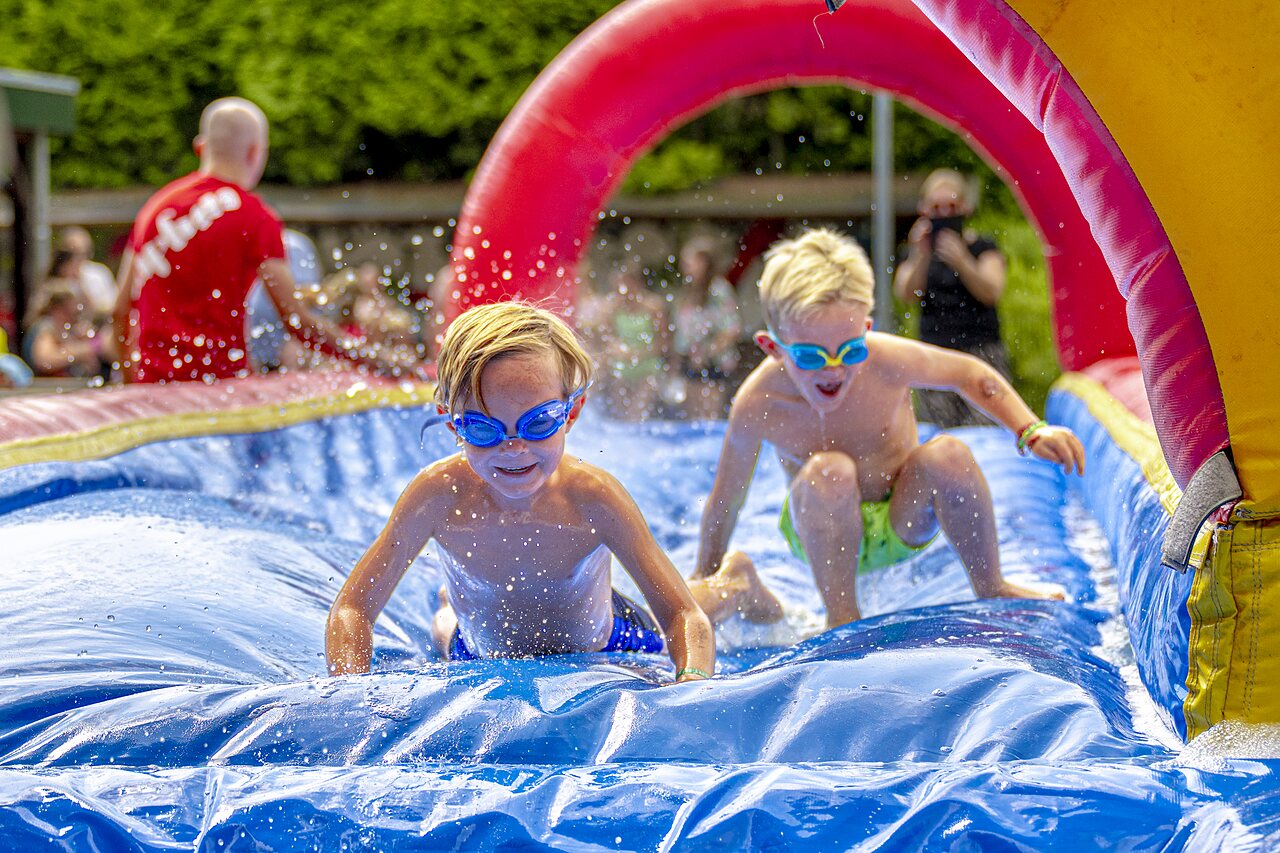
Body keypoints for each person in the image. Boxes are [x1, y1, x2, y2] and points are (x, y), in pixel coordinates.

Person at [326, 301, 775, 680]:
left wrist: (690, 685)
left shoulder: (594, 498)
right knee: (448, 634)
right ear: (452, 423)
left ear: (571, 413)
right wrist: (349, 696)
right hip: (476, 648)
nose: (514, 448)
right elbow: (353, 608)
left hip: (607, 641)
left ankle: (735, 580)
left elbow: (683, 617)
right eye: (483, 429)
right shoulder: (436, 496)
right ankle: (450, 606)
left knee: (688, 607)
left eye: (538, 423)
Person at [692, 228, 1085, 629]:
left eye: (851, 350)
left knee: (948, 454)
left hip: (901, 515)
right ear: (773, 347)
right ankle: (839, 614)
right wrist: (703, 576)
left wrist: (1030, 429)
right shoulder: (758, 402)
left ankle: (992, 584)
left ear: (865, 329)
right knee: (831, 470)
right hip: (819, 526)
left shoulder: (886, 360)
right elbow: (727, 498)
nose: (833, 368)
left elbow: (969, 374)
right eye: (811, 356)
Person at [112, 97, 416, 383]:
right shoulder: (255, 216)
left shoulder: (155, 209)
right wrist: (381, 361)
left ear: (199, 148)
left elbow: (120, 310)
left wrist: (132, 385)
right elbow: (298, 322)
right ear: (256, 151)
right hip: (218, 391)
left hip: (153, 388)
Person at [893, 169, 1012, 427]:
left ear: (965, 207)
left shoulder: (983, 248)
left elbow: (991, 291)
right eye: (937, 207)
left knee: (986, 428)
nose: (945, 214)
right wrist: (921, 255)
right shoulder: (916, 253)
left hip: (982, 352)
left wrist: (962, 261)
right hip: (935, 354)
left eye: (951, 206)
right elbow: (906, 294)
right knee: (942, 434)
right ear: (924, 210)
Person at [671, 237, 742, 419]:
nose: (685, 267)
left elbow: (731, 329)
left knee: (709, 416)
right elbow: (683, 332)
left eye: (689, 262)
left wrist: (706, 353)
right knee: (692, 417)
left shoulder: (718, 290)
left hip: (713, 361)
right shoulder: (688, 290)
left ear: (704, 263)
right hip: (690, 359)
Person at [58, 227, 118, 319]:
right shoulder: (57, 276)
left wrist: (82, 284)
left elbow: (113, 308)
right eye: (71, 254)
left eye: (82, 254)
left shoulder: (99, 274)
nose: (76, 259)